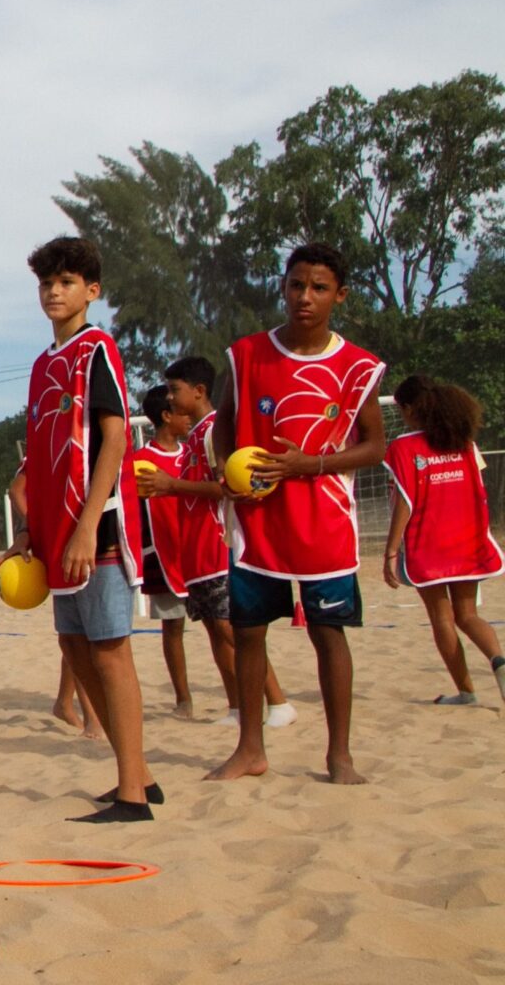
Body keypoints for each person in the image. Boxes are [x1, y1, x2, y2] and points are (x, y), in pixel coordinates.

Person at [208, 242, 386, 785]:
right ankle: (250, 749)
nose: (304, 297)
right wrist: (227, 474)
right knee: (249, 631)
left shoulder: (357, 366)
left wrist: (313, 464)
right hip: (258, 524)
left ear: (340, 296)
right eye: (295, 285)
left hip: (324, 524)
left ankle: (340, 757)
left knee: (329, 634)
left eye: (319, 288)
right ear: (282, 287)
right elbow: (223, 425)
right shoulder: (245, 355)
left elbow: (375, 446)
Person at [0, 236, 155, 822]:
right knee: (75, 647)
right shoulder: (42, 366)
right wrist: (28, 531)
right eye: (46, 283)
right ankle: (141, 775)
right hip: (56, 531)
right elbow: (39, 458)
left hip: (98, 526)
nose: (53, 292)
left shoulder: (97, 351)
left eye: (65, 282)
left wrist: (90, 522)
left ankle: (133, 796)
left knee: (111, 654)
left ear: (92, 290)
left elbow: (114, 437)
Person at [148, 355, 297, 728]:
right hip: (195, 550)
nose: (169, 397)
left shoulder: (217, 430)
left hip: (218, 545)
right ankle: (236, 707)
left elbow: (230, 486)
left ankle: (277, 702)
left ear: (198, 391)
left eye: (174, 389)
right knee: (216, 632)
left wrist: (171, 486)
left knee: (234, 631)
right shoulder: (194, 435)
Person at [380, 375, 505, 707]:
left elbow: (405, 501)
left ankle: (466, 692)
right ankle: (500, 662)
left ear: (407, 408)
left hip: (429, 544)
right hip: (468, 538)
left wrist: (391, 549)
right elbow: (478, 489)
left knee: (442, 619)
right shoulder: (465, 443)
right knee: (468, 615)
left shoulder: (403, 447)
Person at [10, 461, 104, 738]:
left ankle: (65, 702)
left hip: (82, 539)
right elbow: (16, 491)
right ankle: (91, 718)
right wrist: (33, 528)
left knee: (77, 637)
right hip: (64, 545)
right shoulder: (48, 445)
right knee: (80, 638)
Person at [131, 385, 195, 718]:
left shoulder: (192, 455)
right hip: (162, 554)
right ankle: (183, 698)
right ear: (166, 416)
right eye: (182, 413)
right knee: (173, 627)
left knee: (224, 627)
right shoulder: (139, 461)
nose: (189, 418)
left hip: (198, 553)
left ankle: (238, 699)